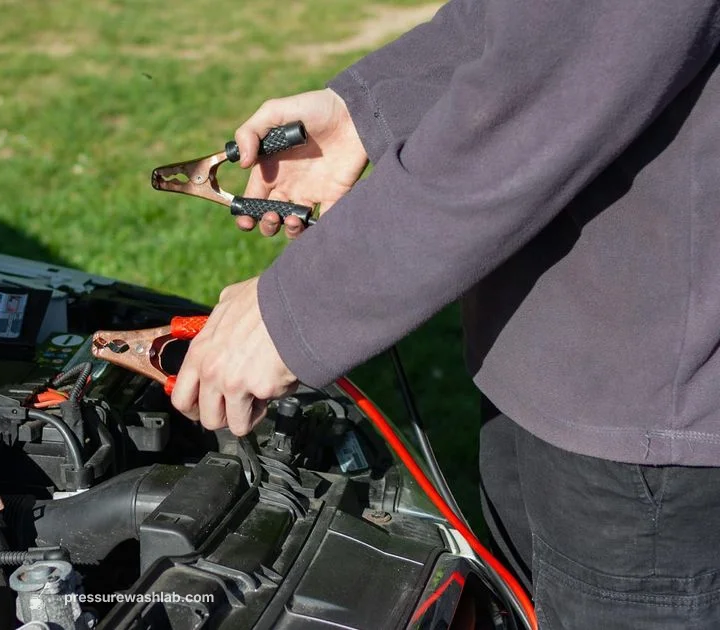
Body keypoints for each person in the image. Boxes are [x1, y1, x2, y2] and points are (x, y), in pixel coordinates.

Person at [167, 1, 720, 627]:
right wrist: (366, 109)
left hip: (655, 425)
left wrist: (293, 310)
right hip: (543, 358)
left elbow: (540, 99)